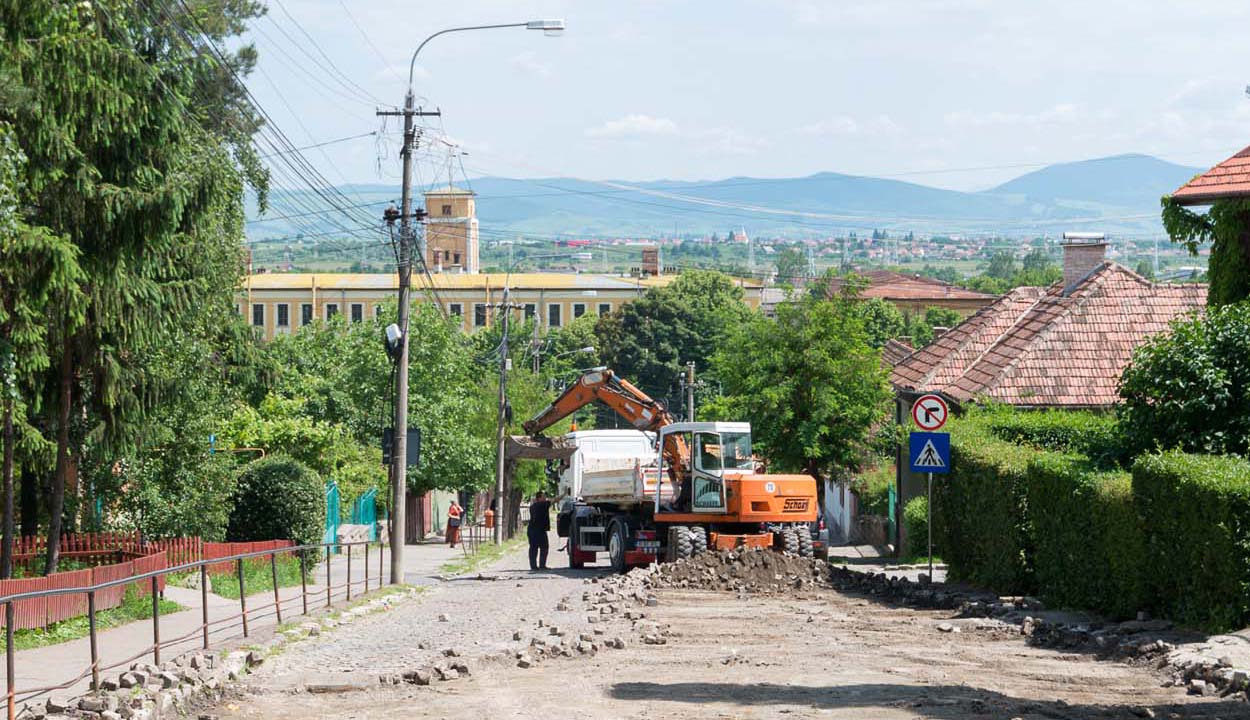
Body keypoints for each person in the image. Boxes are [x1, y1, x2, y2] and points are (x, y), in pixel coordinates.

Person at [528, 491, 552, 570]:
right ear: (539, 498)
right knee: (544, 547)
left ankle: (533, 566)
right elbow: (555, 500)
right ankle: (542, 565)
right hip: (539, 530)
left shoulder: (533, 506)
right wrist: (564, 494)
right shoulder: (543, 504)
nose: (545, 498)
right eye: (543, 496)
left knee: (533, 548)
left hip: (532, 529)